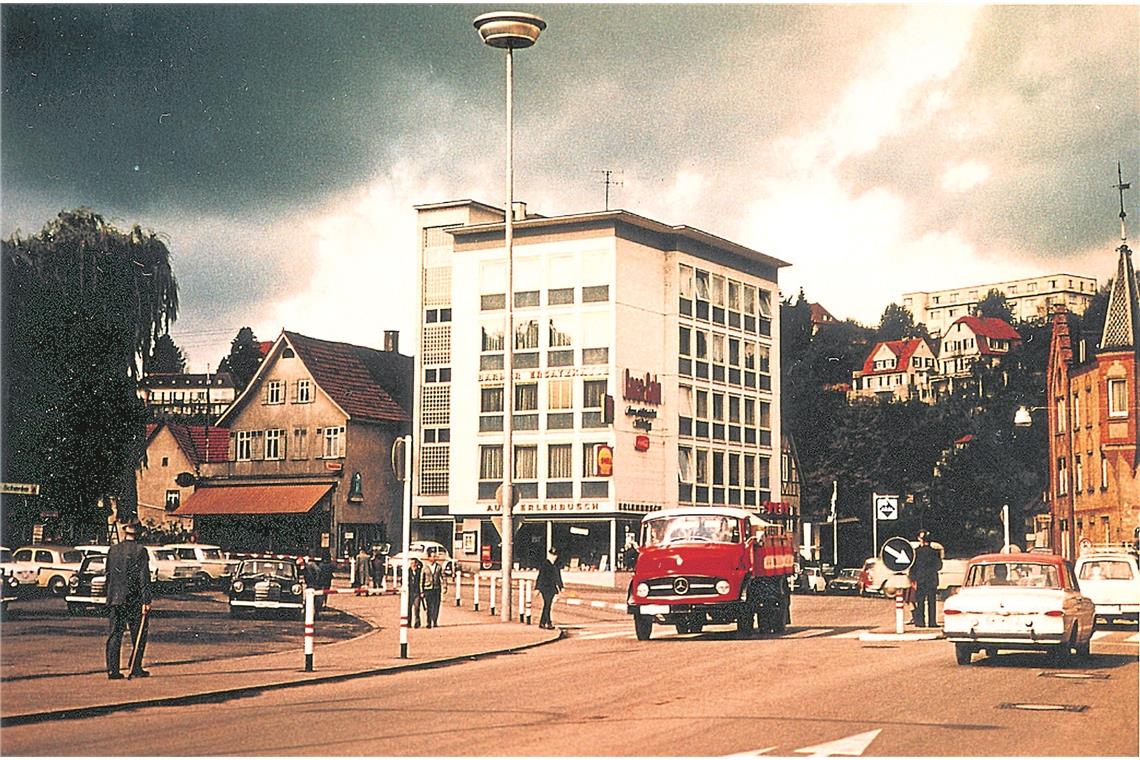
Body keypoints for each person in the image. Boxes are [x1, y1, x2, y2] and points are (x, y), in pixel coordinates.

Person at [105, 521, 152, 679]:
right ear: (138, 534)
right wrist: (146, 601)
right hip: (133, 599)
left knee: (114, 634)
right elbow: (143, 578)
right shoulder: (140, 551)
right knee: (138, 633)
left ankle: (113, 670)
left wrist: (109, 596)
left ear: (125, 533)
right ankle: (135, 667)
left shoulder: (113, 550)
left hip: (115, 598)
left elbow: (108, 574)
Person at [909, 532, 942, 627]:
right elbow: (939, 566)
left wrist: (913, 579)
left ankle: (920, 622)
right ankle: (932, 622)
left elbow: (913, 567)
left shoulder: (916, 552)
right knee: (932, 602)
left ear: (920, 539)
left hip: (920, 580)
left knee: (920, 602)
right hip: (932, 580)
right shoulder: (935, 552)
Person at [535, 546, 564, 630]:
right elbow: (540, 577)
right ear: (549, 555)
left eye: (555, 555)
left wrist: (561, 586)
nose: (554, 557)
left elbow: (558, 577)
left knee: (547, 605)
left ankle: (542, 622)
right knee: (547, 605)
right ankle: (548, 622)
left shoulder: (555, 565)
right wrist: (537, 588)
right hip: (545, 588)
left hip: (552, 589)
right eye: (553, 555)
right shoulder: (545, 564)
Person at [420, 550, 445, 628]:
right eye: (433, 556)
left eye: (435, 556)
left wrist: (445, 586)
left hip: (436, 588)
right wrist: (421, 590)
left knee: (436, 605)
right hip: (427, 588)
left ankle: (435, 620)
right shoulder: (425, 567)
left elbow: (443, 577)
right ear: (429, 557)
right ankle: (428, 622)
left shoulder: (438, 567)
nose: (435, 558)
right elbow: (421, 579)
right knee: (429, 606)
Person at [407, 558, 423, 628]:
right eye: (411, 563)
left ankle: (417, 622)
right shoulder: (407, 572)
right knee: (409, 608)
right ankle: (408, 622)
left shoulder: (419, 571)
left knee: (417, 607)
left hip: (417, 592)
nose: (412, 565)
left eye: (414, 563)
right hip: (409, 592)